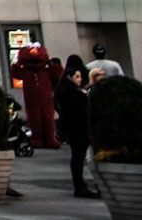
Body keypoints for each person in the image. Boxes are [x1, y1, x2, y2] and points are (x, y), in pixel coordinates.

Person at [54, 64, 97, 198]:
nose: (79, 79)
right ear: (69, 77)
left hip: (72, 128)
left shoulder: (65, 90)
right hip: (77, 128)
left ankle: (80, 185)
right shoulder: (70, 92)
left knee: (77, 157)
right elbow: (80, 109)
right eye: (77, 76)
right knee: (78, 157)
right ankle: (79, 186)